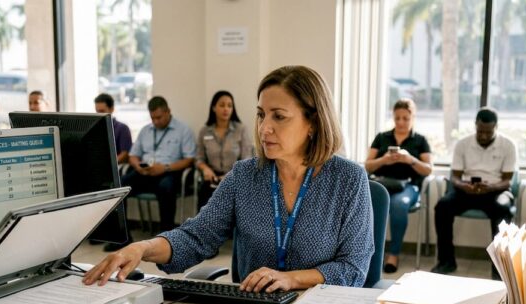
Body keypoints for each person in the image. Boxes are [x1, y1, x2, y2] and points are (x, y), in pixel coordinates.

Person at [84, 65, 374, 292]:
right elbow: (197, 237)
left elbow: (353, 268)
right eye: (261, 115)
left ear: (313, 122)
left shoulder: (349, 180)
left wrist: (290, 279)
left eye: (279, 117)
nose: (264, 128)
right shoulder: (246, 176)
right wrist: (143, 247)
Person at [432, 107, 516, 275]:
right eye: (480, 131)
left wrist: (490, 187)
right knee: (442, 207)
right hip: (467, 190)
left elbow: (507, 181)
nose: (484, 135)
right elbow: (455, 177)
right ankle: (446, 261)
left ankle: (499, 268)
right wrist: (463, 186)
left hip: (495, 190)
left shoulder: (508, 145)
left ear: (496, 127)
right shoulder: (463, 144)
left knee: (503, 209)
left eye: (488, 132)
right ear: (475, 125)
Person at [364, 98, 432, 273]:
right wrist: (385, 159)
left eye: (405, 118)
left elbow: (427, 170)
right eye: (397, 118)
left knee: (398, 205)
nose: (401, 122)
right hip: (382, 183)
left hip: (408, 186)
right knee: (369, 203)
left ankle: (393, 254)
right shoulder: (382, 137)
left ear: (413, 118)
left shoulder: (420, 140)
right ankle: (368, 252)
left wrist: (410, 160)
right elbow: (368, 166)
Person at [122, 96, 196, 234]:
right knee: (120, 186)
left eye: (159, 117)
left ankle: (166, 236)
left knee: (165, 187)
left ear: (168, 111)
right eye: (152, 118)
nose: (155, 121)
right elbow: (133, 155)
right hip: (145, 172)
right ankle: (122, 236)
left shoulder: (183, 130)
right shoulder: (145, 130)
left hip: (170, 172)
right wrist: (138, 166)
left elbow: (189, 159)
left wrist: (165, 168)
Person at [195, 90, 253, 208]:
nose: (226, 109)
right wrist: (205, 169)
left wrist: (229, 175)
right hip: (212, 178)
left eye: (229, 106)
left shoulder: (240, 129)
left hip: (235, 177)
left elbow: (247, 159)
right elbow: (199, 158)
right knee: (204, 209)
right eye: (222, 105)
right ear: (214, 108)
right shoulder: (204, 131)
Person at [95, 93, 133, 164]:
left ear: (111, 109)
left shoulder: (122, 128)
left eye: (102, 111)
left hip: (115, 166)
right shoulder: (94, 129)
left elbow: (125, 154)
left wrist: (110, 164)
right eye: (97, 111)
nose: (99, 115)